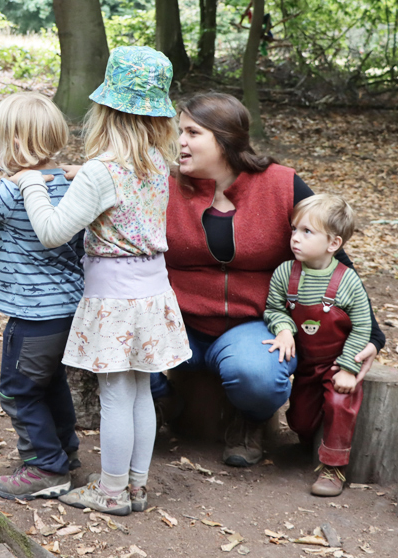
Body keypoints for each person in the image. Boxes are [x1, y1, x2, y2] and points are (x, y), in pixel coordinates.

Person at [150, 92, 384, 467]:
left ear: (224, 139)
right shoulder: (163, 185)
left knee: (258, 377)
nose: (180, 141)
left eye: (192, 132)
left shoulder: (281, 185)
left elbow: (335, 258)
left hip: (254, 324)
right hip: (176, 321)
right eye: (180, 131)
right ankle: (162, 397)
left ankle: (250, 419)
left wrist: (371, 335)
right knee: (111, 338)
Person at [11, 46, 192, 515]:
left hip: (113, 297)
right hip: (153, 292)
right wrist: (80, 178)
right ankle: (135, 485)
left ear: (106, 109)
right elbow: (121, 202)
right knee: (138, 391)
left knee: (114, 393)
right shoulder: (155, 163)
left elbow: (52, 233)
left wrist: (32, 183)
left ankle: (110, 492)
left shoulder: (99, 171)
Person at [0, 92, 84, 500]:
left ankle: (45, 467)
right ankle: (65, 451)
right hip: (69, 311)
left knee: (17, 389)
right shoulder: (67, 181)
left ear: (13, 144)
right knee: (51, 382)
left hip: (33, 315)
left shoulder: (15, 190)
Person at [264, 194, 369, 496]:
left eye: (307, 232)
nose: (295, 238)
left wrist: (349, 367)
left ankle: (334, 468)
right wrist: (283, 329)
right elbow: (274, 309)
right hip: (306, 362)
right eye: (294, 229)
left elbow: (363, 325)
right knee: (299, 418)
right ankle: (311, 440)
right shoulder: (285, 273)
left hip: (338, 362)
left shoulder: (347, 281)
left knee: (339, 403)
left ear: (333, 243)